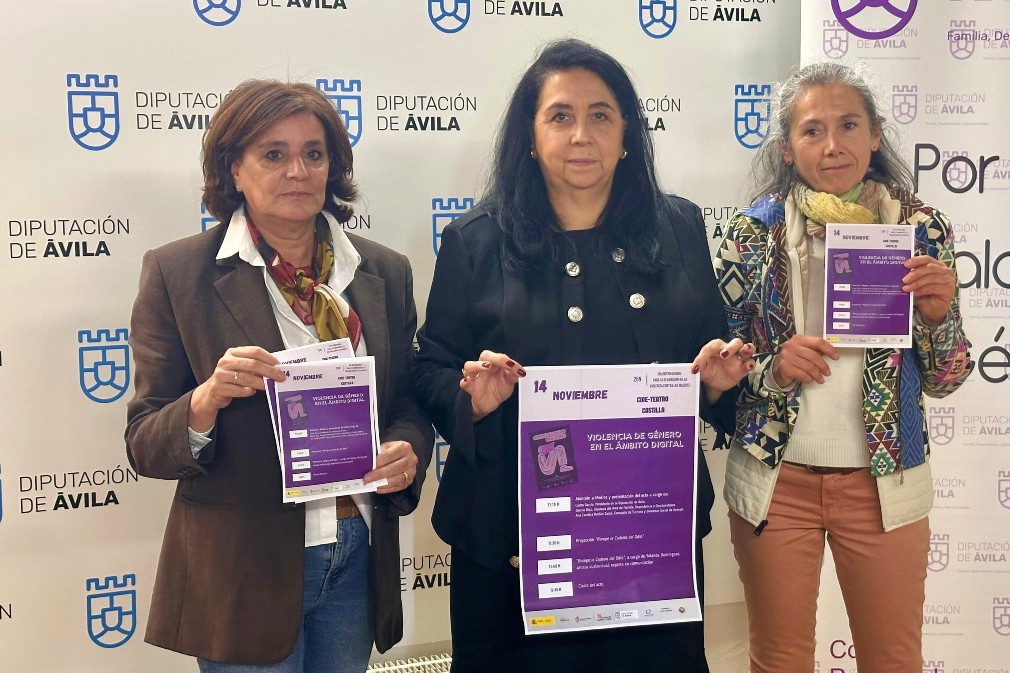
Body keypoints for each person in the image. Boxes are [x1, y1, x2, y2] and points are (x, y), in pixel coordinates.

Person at [411, 39, 753, 672]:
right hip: (511, 542)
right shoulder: (475, 240)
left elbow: (708, 357)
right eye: (560, 116)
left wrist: (716, 381)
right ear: (530, 135)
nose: (581, 134)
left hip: (645, 537)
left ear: (626, 134)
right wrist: (471, 397)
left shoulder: (679, 229)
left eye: (601, 115)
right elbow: (429, 368)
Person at [125, 79, 433, 673]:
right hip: (245, 568)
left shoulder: (384, 271)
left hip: (358, 552)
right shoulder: (178, 273)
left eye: (313, 153)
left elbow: (408, 402)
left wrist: (407, 447)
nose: (297, 171)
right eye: (274, 153)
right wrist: (206, 400)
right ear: (234, 170)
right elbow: (144, 442)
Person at [714, 62, 974, 673]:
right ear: (787, 147)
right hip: (777, 482)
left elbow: (946, 378)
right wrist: (773, 368)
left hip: (884, 483)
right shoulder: (752, 233)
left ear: (876, 134)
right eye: (812, 130)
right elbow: (721, 369)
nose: (832, 145)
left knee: (893, 661)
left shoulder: (920, 229)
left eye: (849, 125)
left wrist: (938, 316)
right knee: (777, 661)